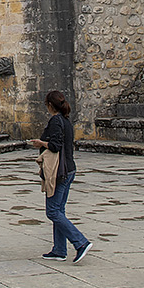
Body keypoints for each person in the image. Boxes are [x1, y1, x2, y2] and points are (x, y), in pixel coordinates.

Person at [29, 90, 91, 262]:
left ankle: (80, 242)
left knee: (53, 211)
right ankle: (59, 249)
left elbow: (55, 146)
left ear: (50, 105)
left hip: (60, 171)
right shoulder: (65, 121)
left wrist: (41, 143)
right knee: (59, 210)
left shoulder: (56, 121)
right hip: (69, 169)